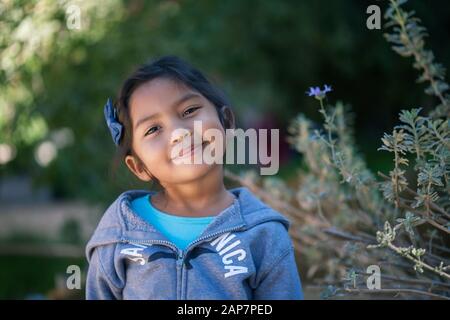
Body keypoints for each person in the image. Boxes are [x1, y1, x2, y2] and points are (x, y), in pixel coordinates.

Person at [85, 55, 304, 300]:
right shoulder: (118, 236)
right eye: (153, 129)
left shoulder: (264, 235)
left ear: (226, 122)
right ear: (139, 167)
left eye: (189, 111)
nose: (179, 133)